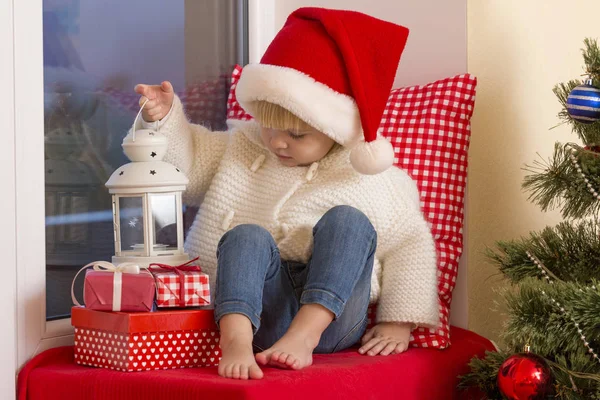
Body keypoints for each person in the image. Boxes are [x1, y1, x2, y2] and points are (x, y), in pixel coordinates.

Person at [133, 7, 439, 380]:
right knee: (245, 235)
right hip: (256, 309)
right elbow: (188, 167)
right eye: (268, 127)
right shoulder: (242, 147)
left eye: (296, 136)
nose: (277, 142)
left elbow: (411, 243)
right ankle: (235, 340)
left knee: (349, 222)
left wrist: (399, 321)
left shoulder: (371, 177)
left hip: (333, 321)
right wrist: (164, 121)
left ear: (335, 130)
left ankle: (304, 335)